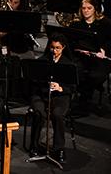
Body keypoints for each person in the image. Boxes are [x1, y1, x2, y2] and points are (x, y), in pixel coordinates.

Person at [29, 33, 75, 164]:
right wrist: (44, 83)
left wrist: (61, 88)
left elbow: (72, 87)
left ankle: (59, 148)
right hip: (41, 94)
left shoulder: (69, 64)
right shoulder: (42, 61)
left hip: (60, 96)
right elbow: (33, 82)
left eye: (57, 48)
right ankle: (34, 145)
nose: (54, 51)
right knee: (39, 113)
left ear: (63, 47)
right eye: (52, 48)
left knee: (58, 114)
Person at [69, 0, 111, 112]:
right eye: (84, 8)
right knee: (75, 70)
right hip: (81, 57)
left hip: (100, 58)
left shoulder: (105, 23)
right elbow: (71, 42)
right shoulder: (76, 24)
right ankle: (81, 99)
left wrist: (104, 49)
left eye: (89, 8)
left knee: (95, 75)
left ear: (95, 9)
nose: (86, 11)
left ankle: (85, 98)